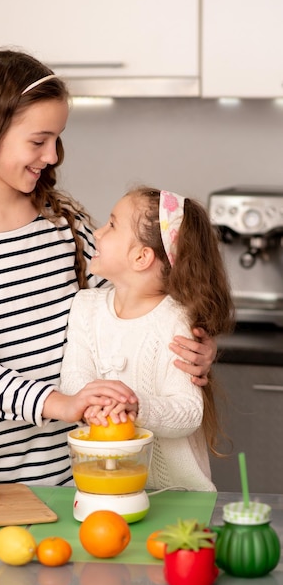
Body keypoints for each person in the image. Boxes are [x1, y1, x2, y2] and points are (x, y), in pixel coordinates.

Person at [0, 50, 216, 486]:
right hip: (1, 480)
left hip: (91, 469)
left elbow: (133, 302)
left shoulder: (63, 225)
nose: (53, 155)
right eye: (39, 141)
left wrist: (194, 350)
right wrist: (63, 403)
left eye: (57, 139)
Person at [60, 186, 234, 491]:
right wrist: (96, 403)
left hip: (177, 495)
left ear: (141, 257)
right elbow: (74, 380)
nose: (98, 233)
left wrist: (135, 408)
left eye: (112, 224)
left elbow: (189, 412)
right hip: (105, 482)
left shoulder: (177, 321)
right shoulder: (85, 307)